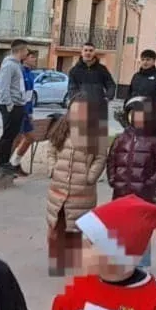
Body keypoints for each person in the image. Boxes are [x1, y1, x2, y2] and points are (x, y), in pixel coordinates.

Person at [106, 98, 156, 269]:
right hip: (121, 193)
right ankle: (121, 266)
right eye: (134, 114)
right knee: (121, 229)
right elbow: (112, 159)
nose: (138, 118)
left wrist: (150, 184)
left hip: (144, 195)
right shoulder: (122, 138)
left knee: (140, 231)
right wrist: (113, 179)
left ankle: (141, 267)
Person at [46, 96, 106, 276]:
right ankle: (57, 261)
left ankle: (75, 261)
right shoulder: (61, 129)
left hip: (82, 191)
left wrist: (91, 176)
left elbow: (101, 157)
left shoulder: (95, 134)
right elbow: (51, 150)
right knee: (56, 225)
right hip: (58, 188)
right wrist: (52, 168)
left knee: (78, 227)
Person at [0, 39, 29, 175]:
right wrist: (9, 105)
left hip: (18, 104)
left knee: (13, 134)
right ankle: (1, 163)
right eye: (26, 50)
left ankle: (6, 162)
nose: (27, 52)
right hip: (11, 105)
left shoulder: (17, 65)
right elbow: (4, 86)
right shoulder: (9, 65)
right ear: (20, 50)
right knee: (8, 135)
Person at [9, 49, 39, 176]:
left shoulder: (30, 74)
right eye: (32, 57)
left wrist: (30, 112)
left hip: (27, 111)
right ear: (25, 58)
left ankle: (15, 162)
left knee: (30, 137)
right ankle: (5, 164)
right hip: (18, 109)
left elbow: (29, 95)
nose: (35, 60)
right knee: (16, 138)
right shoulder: (19, 71)